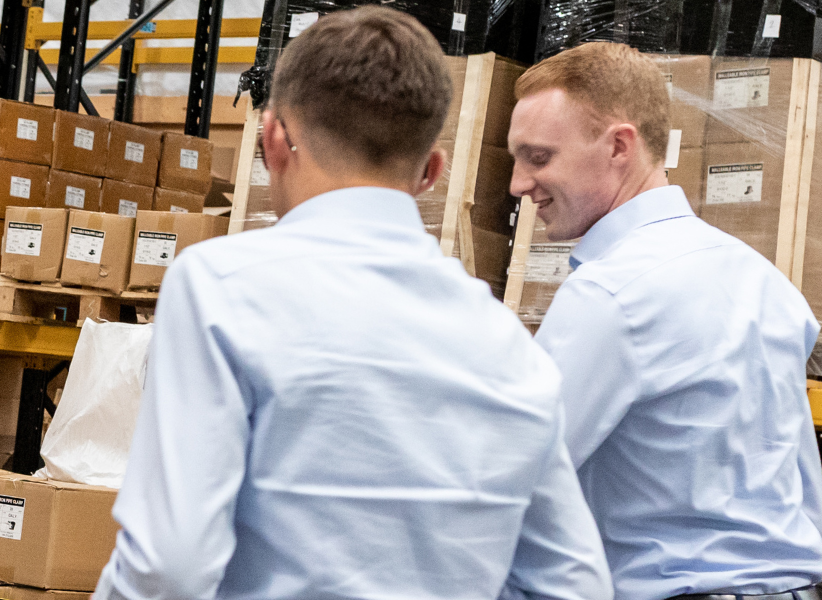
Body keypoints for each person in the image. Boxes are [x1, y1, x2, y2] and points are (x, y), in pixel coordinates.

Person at [92, 8, 609, 600]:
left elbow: (170, 567)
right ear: (432, 171)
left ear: (271, 139)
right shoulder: (509, 343)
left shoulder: (221, 290)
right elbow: (575, 583)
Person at [510, 41, 822, 600]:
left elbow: (518, 482)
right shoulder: (767, 284)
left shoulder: (610, 294)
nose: (517, 184)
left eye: (538, 158)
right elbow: (804, 498)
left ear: (618, 147)